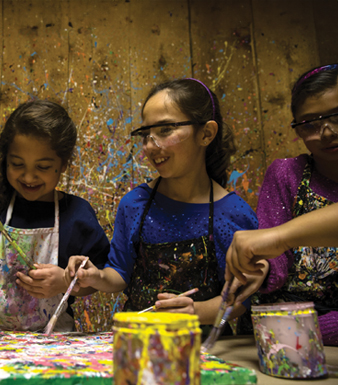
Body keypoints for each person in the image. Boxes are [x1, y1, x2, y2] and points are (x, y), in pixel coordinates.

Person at [66, 78, 258, 325]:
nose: (150, 146)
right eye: (145, 134)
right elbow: (119, 273)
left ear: (206, 134)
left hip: (203, 347)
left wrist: (196, 312)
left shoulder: (233, 213)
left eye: (165, 130)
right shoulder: (135, 204)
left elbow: (242, 298)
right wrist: (96, 276)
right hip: (138, 340)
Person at [0, 100, 110, 332]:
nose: (29, 176)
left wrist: (66, 282)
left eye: (42, 167)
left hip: (51, 339)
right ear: (6, 160)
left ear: (63, 164)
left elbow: (96, 279)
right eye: (17, 164)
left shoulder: (77, 214)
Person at [242, 63, 338, 345]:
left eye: (336, 116)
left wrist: (311, 330)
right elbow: (275, 256)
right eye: (310, 123)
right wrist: (262, 268)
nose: (328, 132)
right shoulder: (287, 174)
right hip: (282, 326)